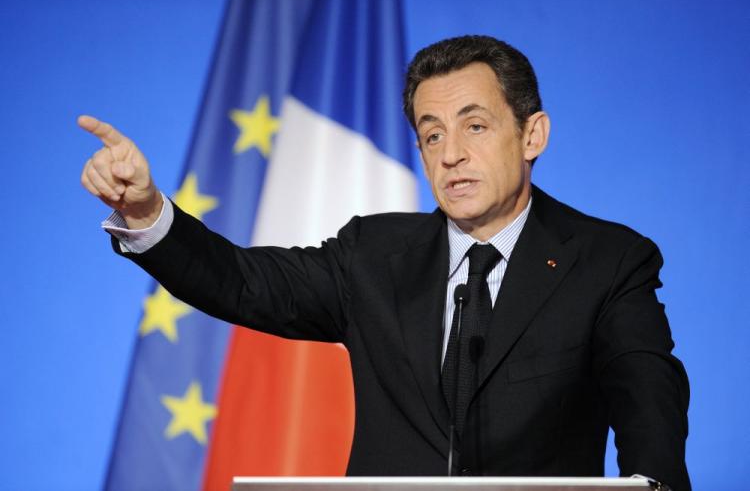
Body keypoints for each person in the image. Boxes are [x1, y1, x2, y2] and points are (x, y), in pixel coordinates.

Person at [80, 35, 690, 490]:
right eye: (431, 134)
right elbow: (243, 283)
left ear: (532, 136)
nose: (451, 154)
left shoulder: (609, 261)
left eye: (475, 126)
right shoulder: (373, 255)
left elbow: (649, 409)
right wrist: (147, 210)